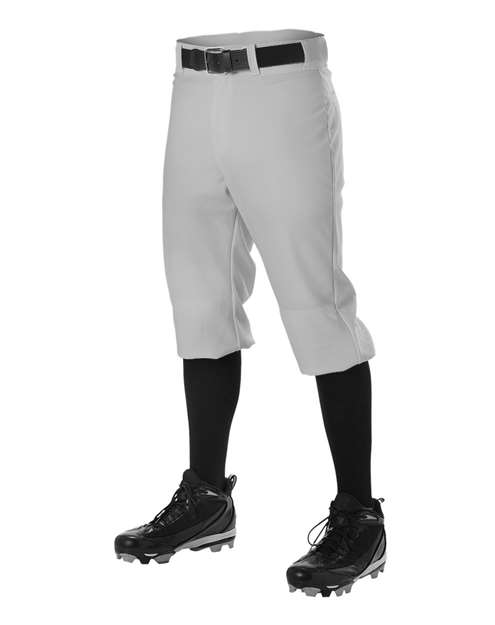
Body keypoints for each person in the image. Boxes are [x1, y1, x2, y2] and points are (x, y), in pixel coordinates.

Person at [115, 29, 386, 598]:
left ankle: (360, 518)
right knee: (199, 301)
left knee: (316, 305)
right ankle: (207, 497)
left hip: (282, 87)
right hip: (192, 88)